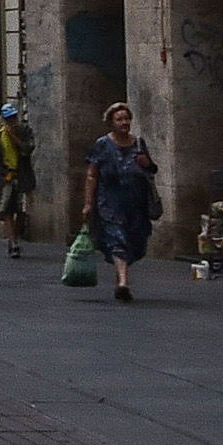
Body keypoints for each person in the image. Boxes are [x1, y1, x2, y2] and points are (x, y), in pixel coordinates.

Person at [78, 100, 159, 300]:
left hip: (136, 202)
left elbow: (152, 170)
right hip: (110, 200)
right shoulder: (102, 144)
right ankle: (123, 282)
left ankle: (120, 273)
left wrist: (146, 163)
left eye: (127, 119)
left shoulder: (138, 143)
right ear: (111, 122)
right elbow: (92, 174)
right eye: (119, 119)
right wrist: (88, 203)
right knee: (117, 238)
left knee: (136, 241)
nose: (124, 123)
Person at [0, 105, 36, 257]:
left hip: (22, 176)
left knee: (22, 211)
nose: (11, 121)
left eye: (13, 118)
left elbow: (28, 148)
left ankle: (15, 237)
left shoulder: (24, 130)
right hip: (5, 177)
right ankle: (13, 242)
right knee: (8, 210)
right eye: (8, 119)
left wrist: (13, 137)